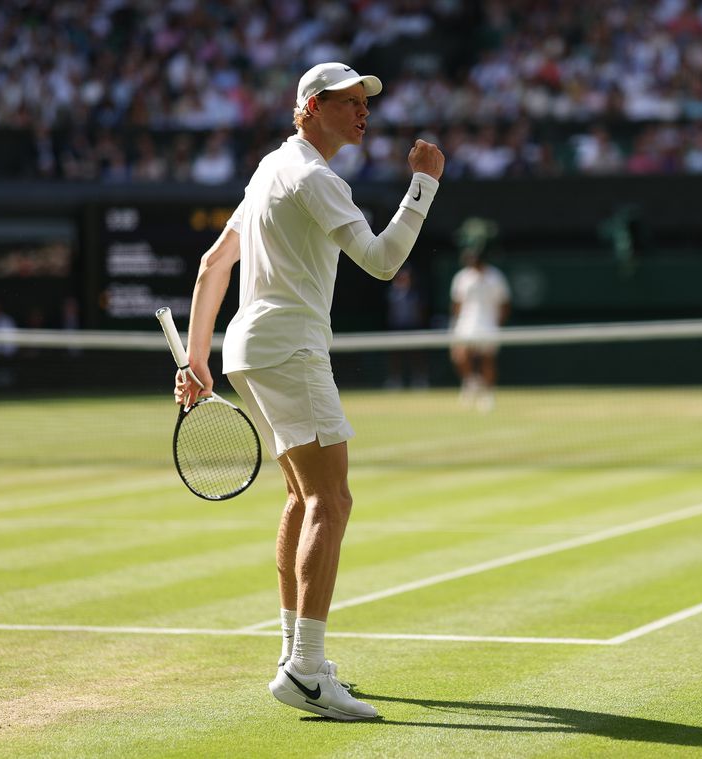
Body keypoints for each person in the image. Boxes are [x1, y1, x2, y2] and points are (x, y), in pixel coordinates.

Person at [173, 61, 444, 721]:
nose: (362, 113)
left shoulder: (271, 168)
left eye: (363, 103)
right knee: (332, 497)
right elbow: (383, 262)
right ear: (309, 109)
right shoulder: (315, 179)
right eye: (348, 102)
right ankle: (305, 670)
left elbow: (214, 264)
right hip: (289, 350)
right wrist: (424, 184)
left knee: (302, 495)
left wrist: (198, 356)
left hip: (249, 351)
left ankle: (299, 654)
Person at [449, 247, 510, 412]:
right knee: (460, 356)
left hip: (488, 325)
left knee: (487, 360)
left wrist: (497, 323)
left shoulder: (495, 277)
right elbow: (457, 304)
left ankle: (488, 395)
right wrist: (456, 323)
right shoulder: (462, 278)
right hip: (465, 325)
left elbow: (504, 304)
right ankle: (471, 383)